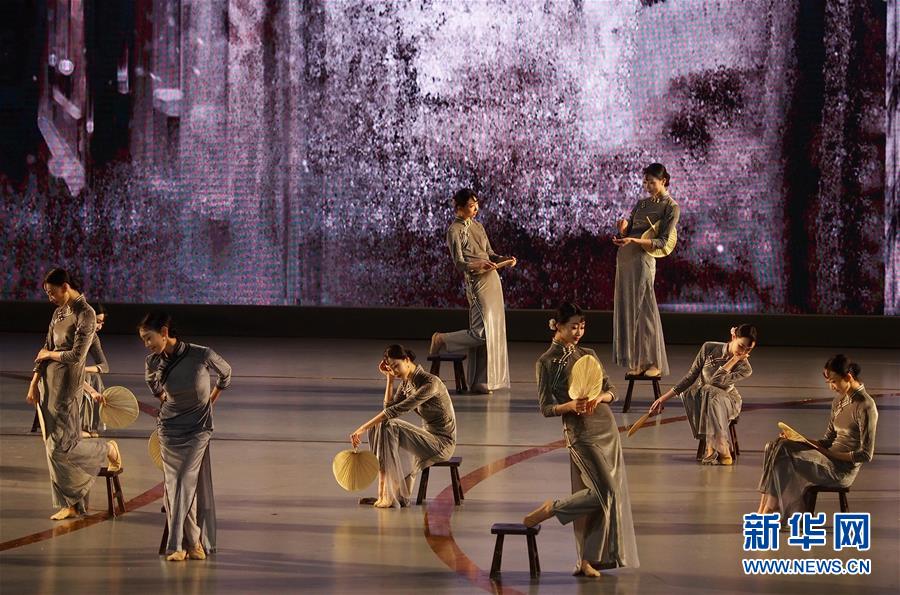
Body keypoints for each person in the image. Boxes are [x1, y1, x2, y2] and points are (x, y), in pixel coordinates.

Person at [523, 303, 639, 577]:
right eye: (573, 326)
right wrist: (570, 406)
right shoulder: (546, 362)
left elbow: (612, 390)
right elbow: (546, 407)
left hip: (606, 428)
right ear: (558, 326)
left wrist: (600, 397)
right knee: (606, 491)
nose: (578, 332)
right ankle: (552, 509)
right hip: (580, 433)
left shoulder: (589, 354)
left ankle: (588, 559)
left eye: (582, 326)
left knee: (604, 494)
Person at [25, 268, 121, 520]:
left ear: (65, 287)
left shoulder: (85, 313)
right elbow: (45, 346)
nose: (50, 298)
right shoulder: (58, 312)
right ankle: (70, 504)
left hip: (68, 386)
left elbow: (77, 355)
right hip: (48, 385)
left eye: (52, 292)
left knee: (63, 447)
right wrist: (34, 382)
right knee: (51, 446)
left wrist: (50, 355)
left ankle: (106, 449)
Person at [140, 311, 232, 561]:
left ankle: (176, 545)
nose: (146, 344)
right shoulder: (152, 361)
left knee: (183, 481)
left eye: (149, 338)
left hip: (198, 428)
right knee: (175, 486)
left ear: (164, 333)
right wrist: (165, 400)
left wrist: (211, 399)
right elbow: (152, 384)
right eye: (144, 340)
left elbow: (226, 372)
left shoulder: (201, 354)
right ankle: (192, 543)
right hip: (169, 429)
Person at [757, 354, 878, 517]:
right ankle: (766, 507)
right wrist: (798, 439)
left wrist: (829, 454)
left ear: (848, 377)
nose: (831, 387)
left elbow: (866, 455)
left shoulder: (866, 406)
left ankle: (771, 510)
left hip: (841, 470)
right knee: (774, 445)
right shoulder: (838, 401)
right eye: (829, 383)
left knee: (782, 452)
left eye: (834, 381)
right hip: (826, 458)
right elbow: (827, 440)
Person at [350, 344, 457, 508]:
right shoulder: (406, 384)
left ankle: (387, 495)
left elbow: (395, 411)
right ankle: (385, 493)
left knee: (388, 425)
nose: (395, 371)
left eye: (396, 366)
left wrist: (361, 429)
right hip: (427, 438)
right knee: (380, 425)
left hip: (442, 444)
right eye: (391, 368)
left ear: (407, 360)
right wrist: (390, 379)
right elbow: (388, 408)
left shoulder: (430, 383)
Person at [429, 188, 514, 393]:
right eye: (470, 205)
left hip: (492, 279)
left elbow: (490, 253)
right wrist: (478, 265)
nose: (475, 209)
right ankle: (441, 339)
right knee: (480, 333)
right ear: (459, 207)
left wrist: (505, 259)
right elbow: (459, 263)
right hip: (476, 282)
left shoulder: (478, 226)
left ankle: (479, 380)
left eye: (476, 204)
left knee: (492, 329)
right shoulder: (454, 231)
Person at [648, 324, 757, 465]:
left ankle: (718, 446)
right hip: (705, 398)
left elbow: (715, 381)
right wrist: (663, 399)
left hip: (729, 401)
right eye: (741, 346)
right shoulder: (709, 348)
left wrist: (734, 360)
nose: (743, 352)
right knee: (695, 392)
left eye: (748, 349)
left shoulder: (745, 368)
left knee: (709, 390)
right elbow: (691, 376)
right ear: (734, 336)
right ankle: (715, 446)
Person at [612, 163, 680, 378]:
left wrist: (633, 240)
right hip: (626, 258)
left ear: (664, 181)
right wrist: (623, 230)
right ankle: (639, 362)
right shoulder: (641, 204)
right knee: (632, 311)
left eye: (652, 182)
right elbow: (629, 232)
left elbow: (662, 241)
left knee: (646, 311)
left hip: (643, 259)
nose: (647, 186)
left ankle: (654, 362)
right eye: (645, 182)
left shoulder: (671, 207)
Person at [80, 303, 109, 437]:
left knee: (93, 376)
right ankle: (78, 426)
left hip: (76, 372)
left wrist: (83, 369)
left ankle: (90, 425)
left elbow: (104, 366)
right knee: (86, 376)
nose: (100, 327)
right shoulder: (73, 333)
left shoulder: (93, 338)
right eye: (97, 321)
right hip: (60, 372)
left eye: (102, 323)